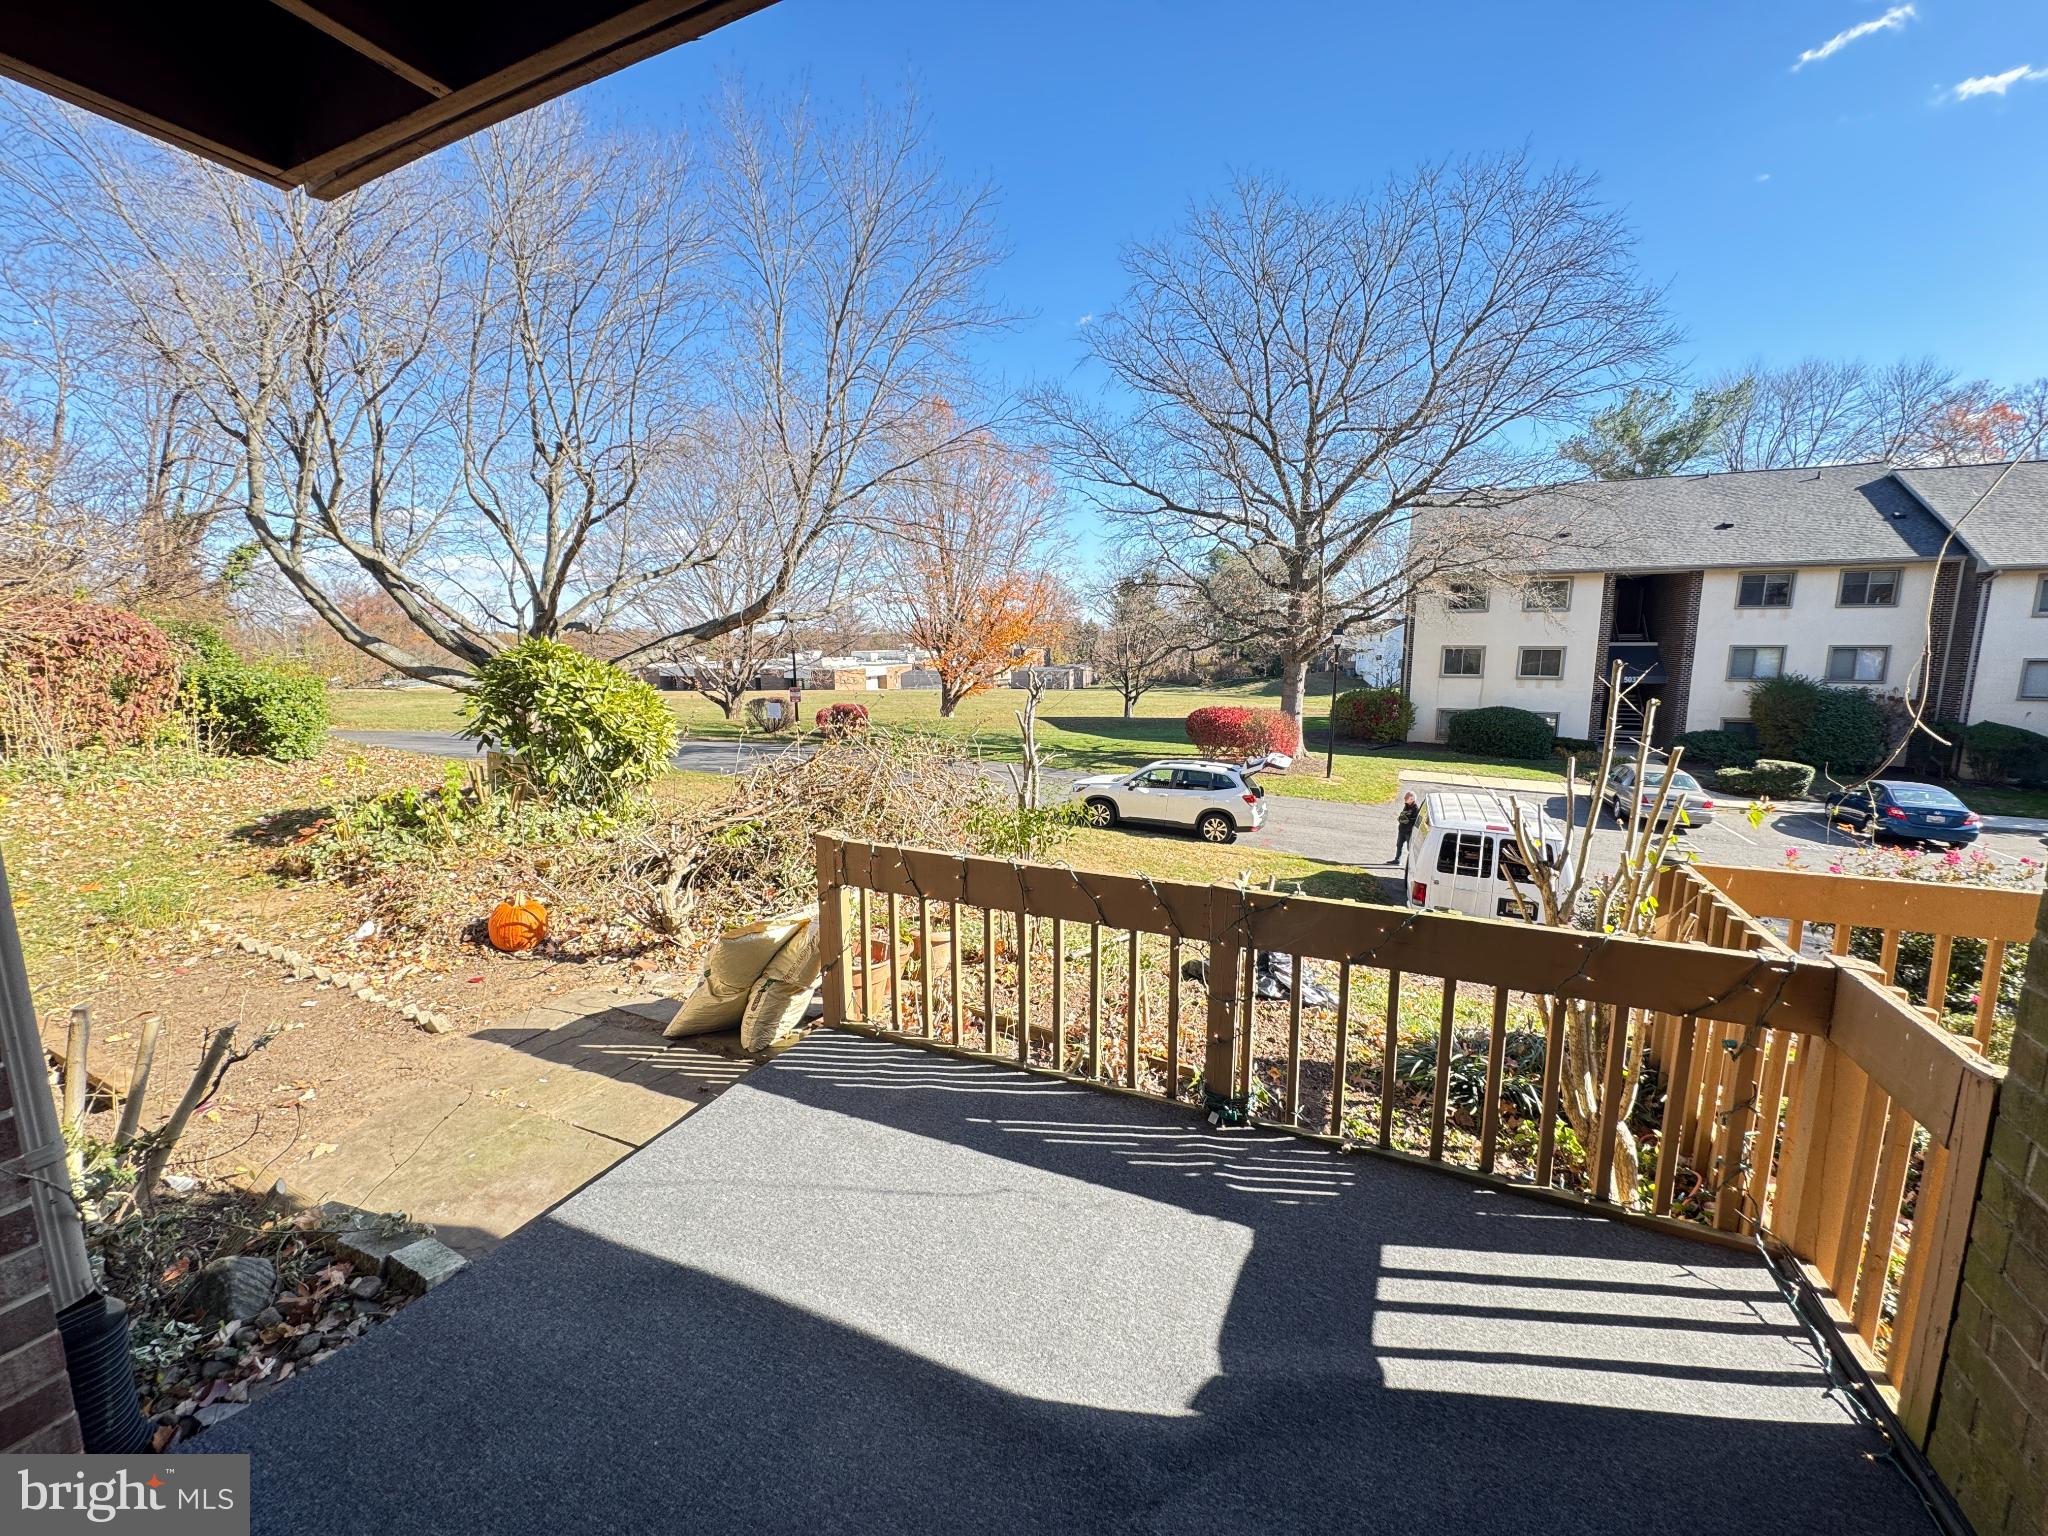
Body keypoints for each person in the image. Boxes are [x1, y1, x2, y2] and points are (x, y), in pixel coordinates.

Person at [1393, 791, 1419, 865]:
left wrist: (1404, 819)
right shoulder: (1406, 806)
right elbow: (1402, 816)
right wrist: (1402, 819)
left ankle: (1410, 865)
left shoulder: (1416, 809)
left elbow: (1412, 821)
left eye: (1406, 797)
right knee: (1399, 845)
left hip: (1408, 832)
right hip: (1401, 830)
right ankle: (1397, 860)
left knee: (1409, 848)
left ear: (1411, 799)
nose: (1404, 798)